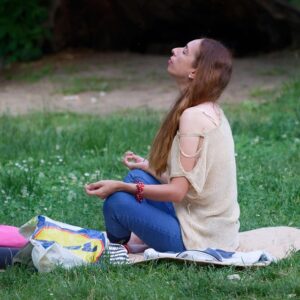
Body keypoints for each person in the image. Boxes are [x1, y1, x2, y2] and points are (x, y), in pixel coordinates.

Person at [85, 38, 240, 253]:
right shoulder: (208, 109)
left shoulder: (193, 117)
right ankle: (128, 238)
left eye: (184, 51)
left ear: (195, 72)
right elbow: (191, 187)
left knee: (117, 201)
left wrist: (121, 187)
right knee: (136, 177)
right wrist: (148, 167)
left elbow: (177, 192)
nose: (174, 50)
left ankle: (117, 249)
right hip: (206, 224)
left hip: (200, 240)